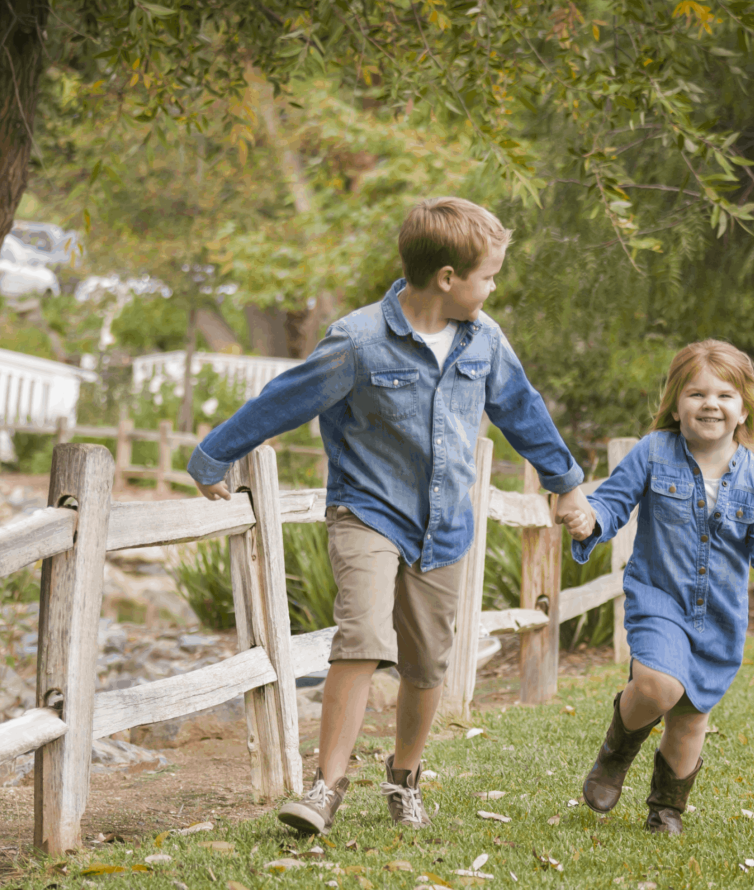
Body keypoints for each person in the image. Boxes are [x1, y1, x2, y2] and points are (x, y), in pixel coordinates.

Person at [187, 196, 595, 836]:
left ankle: (403, 778)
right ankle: (325, 788)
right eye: (488, 275)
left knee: (428, 660)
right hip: (367, 511)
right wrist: (215, 453)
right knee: (363, 637)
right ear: (448, 279)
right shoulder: (359, 341)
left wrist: (566, 484)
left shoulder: (484, 340)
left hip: (445, 524)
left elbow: (523, 410)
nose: (493, 287)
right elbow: (286, 399)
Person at [561, 339, 754, 834]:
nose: (710, 404)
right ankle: (616, 751)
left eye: (724, 395)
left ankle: (666, 809)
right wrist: (590, 520)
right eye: (696, 394)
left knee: (691, 716)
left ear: (744, 410)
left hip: (719, 614)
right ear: (676, 406)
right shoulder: (653, 453)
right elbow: (613, 502)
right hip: (659, 597)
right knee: (658, 685)